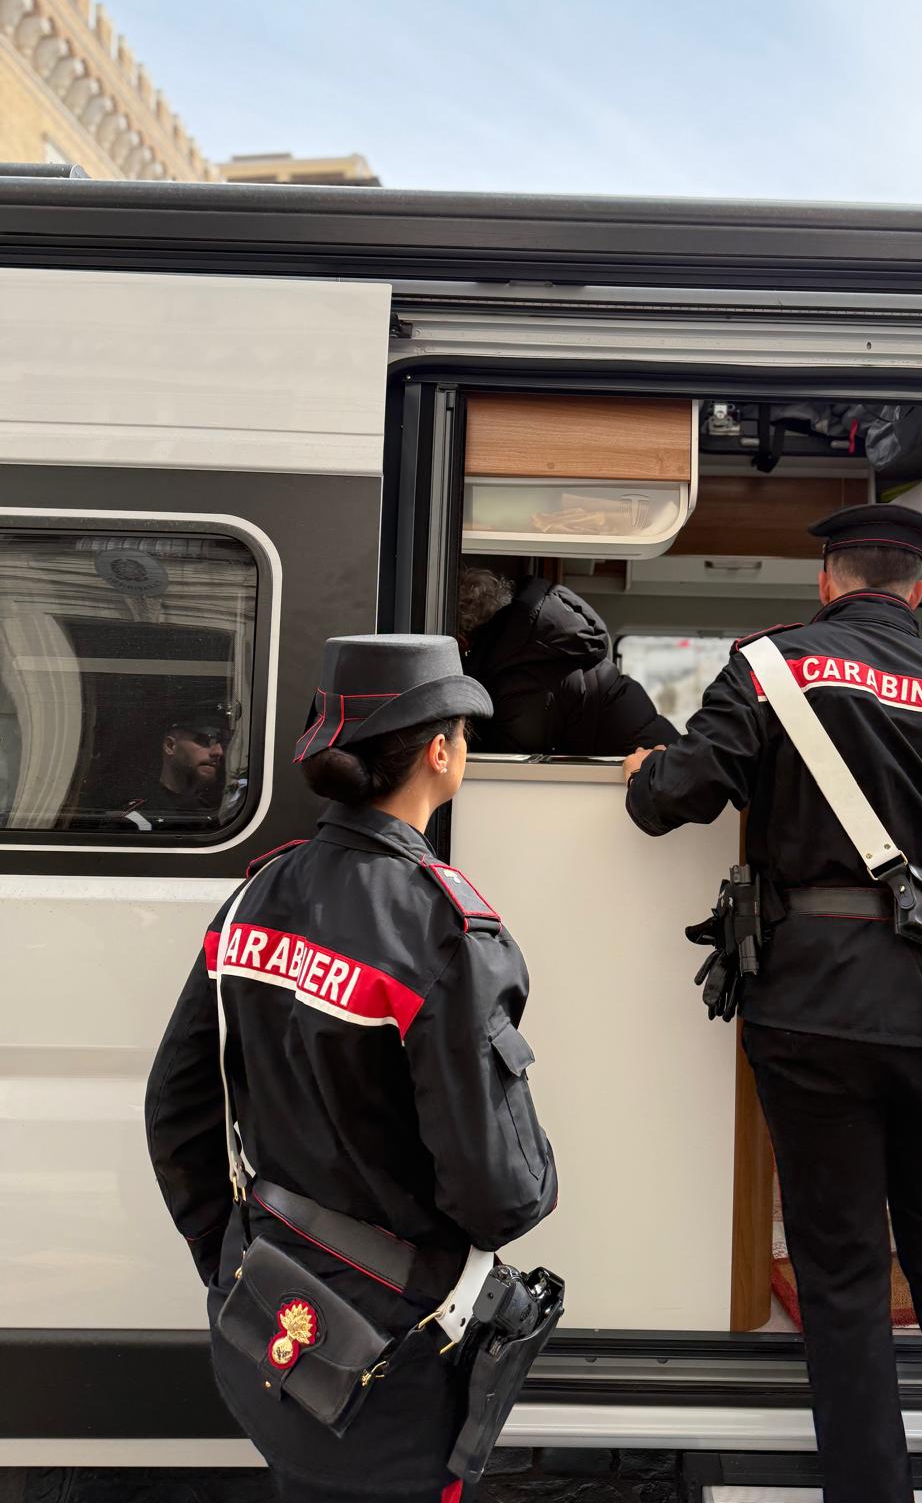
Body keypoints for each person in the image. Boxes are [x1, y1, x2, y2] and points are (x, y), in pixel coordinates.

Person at [622, 504, 922, 1503]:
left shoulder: (772, 667)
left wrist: (646, 772)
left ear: (827, 582)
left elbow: (676, 797)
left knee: (845, 1274)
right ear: (916, 591)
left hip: (814, 1012)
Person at [145, 634, 558, 1503]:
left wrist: (229, 1261)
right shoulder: (446, 931)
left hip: (270, 1313)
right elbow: (500, 1196)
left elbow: (176, 1108)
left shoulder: (254, 897)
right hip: (391, 1366)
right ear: (440, 753)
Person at [458, 567, 679, 755]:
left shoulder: (519, 670)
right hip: (652, 748)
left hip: (653, 765)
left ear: (462, 642)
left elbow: (512, 754)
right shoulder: (530, 642)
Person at [118, 702, 233, 831]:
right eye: (206, 740)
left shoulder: (219, 814)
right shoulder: (139, 815)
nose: (218, 752)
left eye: (221, 743)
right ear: (170, 746)